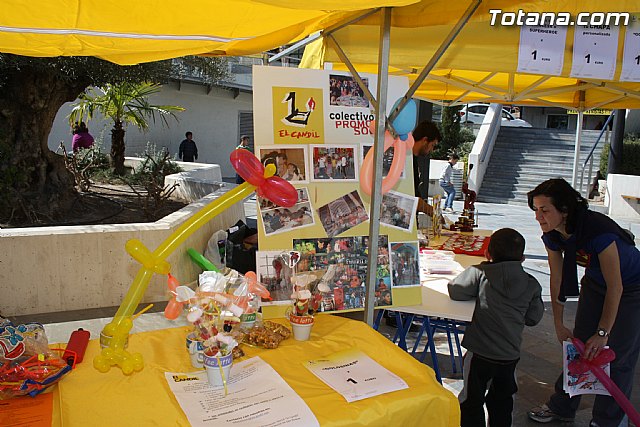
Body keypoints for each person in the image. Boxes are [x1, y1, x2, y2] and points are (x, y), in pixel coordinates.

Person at [526, 178, 640, 426]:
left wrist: (603, 332)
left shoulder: (597, 230)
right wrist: (558, 324)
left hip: (633, 287)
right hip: (595, 283)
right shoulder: (552, 233)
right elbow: (556, 280)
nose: (539, 217)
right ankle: (562, 406)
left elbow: (616, 286)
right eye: (535, 210)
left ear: (564, 210)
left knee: (616, 354)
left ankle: (608, 420)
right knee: (579, 347)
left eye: (544, 210)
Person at [448, 228, 544, 427]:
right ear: (523, 258)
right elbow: (533, 318)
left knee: (471, 400)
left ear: (488, 253)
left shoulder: (480, 273)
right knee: (502, 401)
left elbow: (455, 290)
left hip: (479, 353)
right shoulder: (531, 284)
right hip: (509, 356)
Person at [412, 121, 442, 215]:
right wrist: (432, 212)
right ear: (425, 140)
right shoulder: (406, 160)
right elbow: (411, 197)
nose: (432, 150)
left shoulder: (413, 159)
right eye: (432, 145)